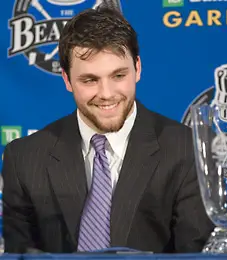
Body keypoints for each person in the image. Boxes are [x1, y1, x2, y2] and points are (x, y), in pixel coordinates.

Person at [2, 6, 214, 254]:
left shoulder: (188, 149)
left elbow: (196, 256)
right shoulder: (24, 158)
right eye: (90, 80)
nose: (106, 94)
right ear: (67, 80)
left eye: (118, 75)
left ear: (137, 68)